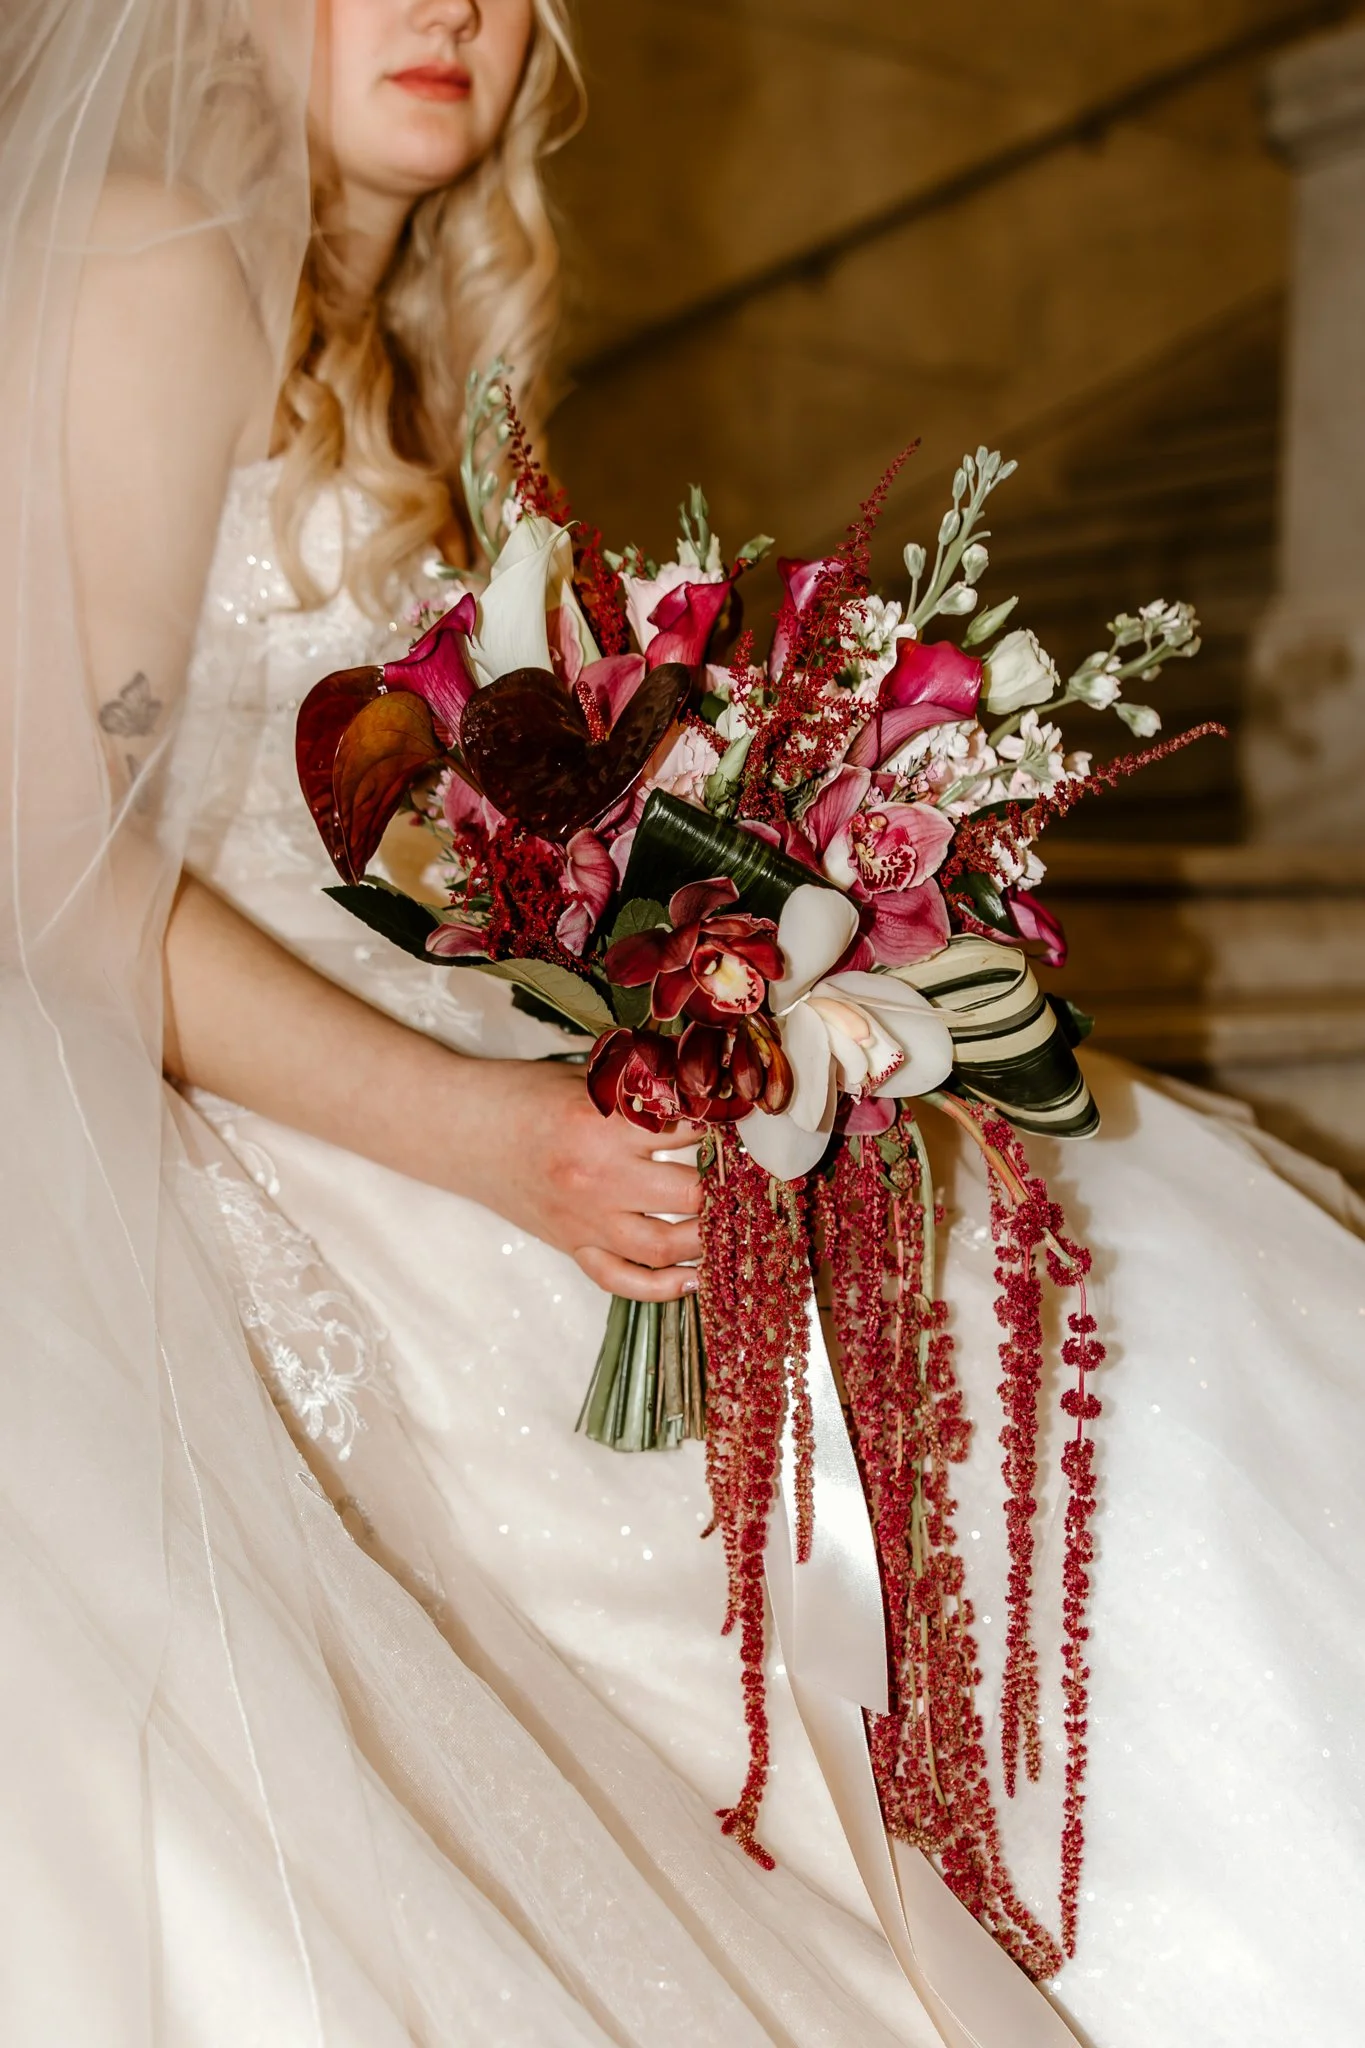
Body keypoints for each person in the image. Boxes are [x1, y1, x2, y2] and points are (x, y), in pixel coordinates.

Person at [3, 2, 1363, 2042]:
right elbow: (47, 876)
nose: (453, 5)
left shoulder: (374, 329)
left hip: (480, 1063)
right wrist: (495, 1136)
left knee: (1109, 1262)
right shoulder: (151, 253)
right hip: (306, 1115)